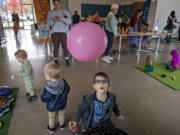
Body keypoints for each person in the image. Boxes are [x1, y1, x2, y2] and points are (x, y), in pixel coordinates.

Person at [41, 62, 70, 133]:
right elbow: (68, 88)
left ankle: (51, 128)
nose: (44, 75)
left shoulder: (48, 87)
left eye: (45, 74)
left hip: (52, 106)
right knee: (62, 114)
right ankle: (62, 125)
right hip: (62, 103)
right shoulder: (63, 81)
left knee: (51, 117)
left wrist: (42, 98)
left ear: (49, 76)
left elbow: (45, 98)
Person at [47, 0, 72, 66]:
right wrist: (53, 20)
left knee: (65, 47)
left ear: (60, 3)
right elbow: (48, 22)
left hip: (64, 32)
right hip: (55, 32)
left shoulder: (65, 12)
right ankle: (55, 59)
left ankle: (67, 59)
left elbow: (70, 21)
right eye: (55, 4)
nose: (56, 6)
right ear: (53, 4)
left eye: (57, 4)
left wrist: (62, 19)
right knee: (55, 47)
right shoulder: (51, 13)